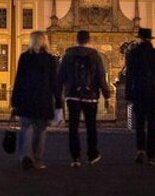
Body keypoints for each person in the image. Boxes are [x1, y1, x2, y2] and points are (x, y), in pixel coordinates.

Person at [57, 29, 111, 167]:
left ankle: (75, 158)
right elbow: (101, 77)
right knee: (91, 126)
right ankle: (92, 154)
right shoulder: (95, 56)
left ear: (77, 40)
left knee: (73, 127)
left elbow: (60, 77)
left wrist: (59, 94)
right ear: (89, 40)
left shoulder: (68, 56)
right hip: (90, 96)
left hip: (72, 95)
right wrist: (107, 96)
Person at [11, 31, 63, 170]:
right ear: (45, 41)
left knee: (25, 129)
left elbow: (19, 80)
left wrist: (14, 101)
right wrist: (59, 103)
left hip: (26, 98)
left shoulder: (24, 57)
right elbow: (54, 83)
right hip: (43, 99)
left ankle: (24, 156)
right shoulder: (50, 59)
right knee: (40, 131)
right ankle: (37, 159)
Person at [125, 27, 155, 166]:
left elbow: (129, 75)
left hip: (139, 92)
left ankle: (140, 150)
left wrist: (128, 93)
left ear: (139, 38)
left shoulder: (133, 54)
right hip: (153, 93)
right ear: (150, 39)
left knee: (139, 124)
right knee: (152, 125)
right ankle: (151, 156)